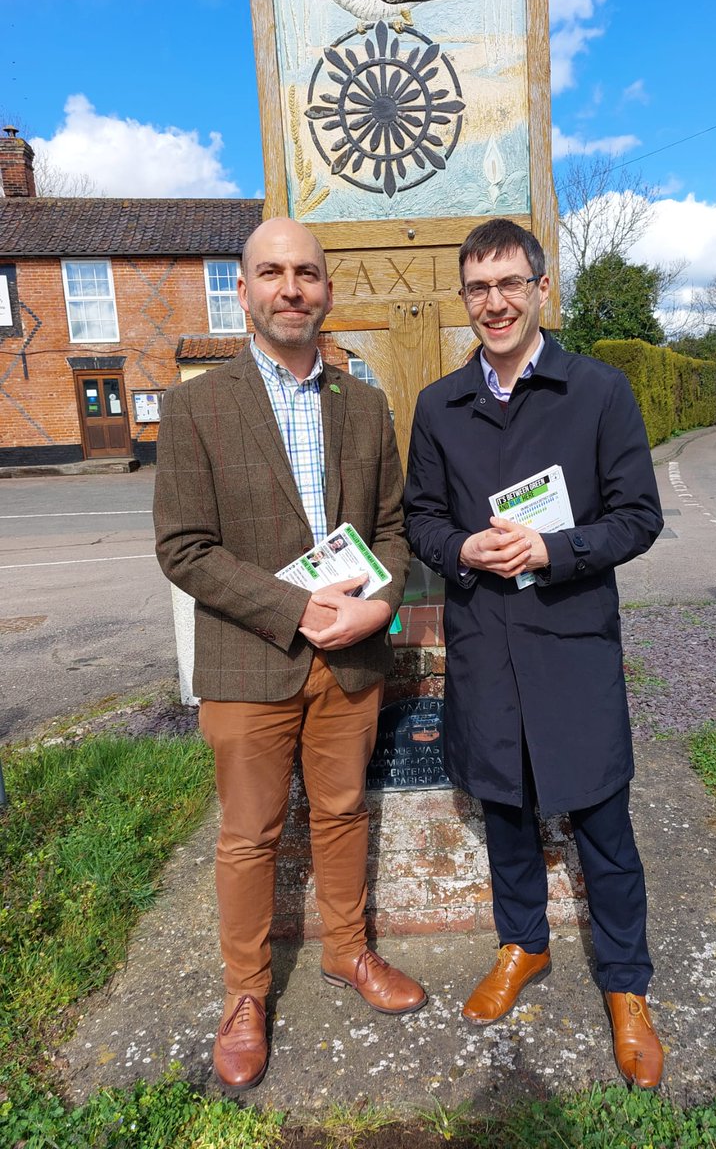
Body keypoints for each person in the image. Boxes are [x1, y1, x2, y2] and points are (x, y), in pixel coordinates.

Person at [154, 216, 426, 1094]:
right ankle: (245, 995)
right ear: (243, 290)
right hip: (248, 657)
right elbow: (185, 547)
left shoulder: (366, 404)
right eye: (271, 273)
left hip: (348, 658)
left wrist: (378, 610)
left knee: (344, 811)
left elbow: (393, 531)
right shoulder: (198, 406)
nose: (291, 288)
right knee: (248, 835)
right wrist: (297, 609)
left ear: (327, 289)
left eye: (306, 273)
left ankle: (348, 952)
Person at [403, 218, 665, 1088]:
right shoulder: (440, 406)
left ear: (542, 289)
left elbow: (638, 517)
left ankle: (626, 986)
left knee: (603, 826)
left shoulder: (598, 392)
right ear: (466, 298)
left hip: (571, 643)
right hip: (486, 643)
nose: (496, 302)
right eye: (479, 288)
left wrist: (555, 552)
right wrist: (460, 552)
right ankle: (524, 946)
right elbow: (422, 521)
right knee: (506, 815)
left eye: (511, 283)